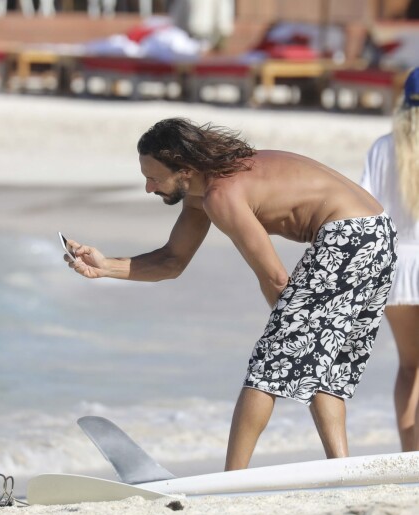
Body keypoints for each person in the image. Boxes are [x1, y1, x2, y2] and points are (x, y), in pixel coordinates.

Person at [64, 118, 397, 470]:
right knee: (326, 366)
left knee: (268, 365)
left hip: (349, 236)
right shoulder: (202, 194)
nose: (148, 187)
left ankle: (232, 477)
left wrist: (286, 330)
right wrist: (105, 266)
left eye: (155, 178)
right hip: (378, 232)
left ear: (186, 170)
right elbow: (171, 261)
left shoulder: (222, 195)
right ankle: (341, 468)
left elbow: (275, 276)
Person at [360, 67, 419, 451]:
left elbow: (363, 209)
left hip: (396, 269)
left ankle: (411, 455)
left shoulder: (383, 147)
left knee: (410, 365)